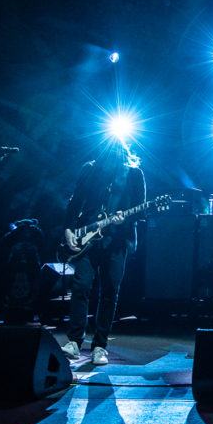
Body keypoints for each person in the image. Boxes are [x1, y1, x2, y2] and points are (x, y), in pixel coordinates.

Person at [60, 143, 145, 366]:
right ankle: (74, 342)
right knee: (80, 286)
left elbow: (141, 209)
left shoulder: (134, 174)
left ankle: (99, 346)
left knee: (109, 291)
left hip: (117, 241)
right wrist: (68, 229)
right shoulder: (90, 169)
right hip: (88, 238)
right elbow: (75, 200)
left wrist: (125, 217)